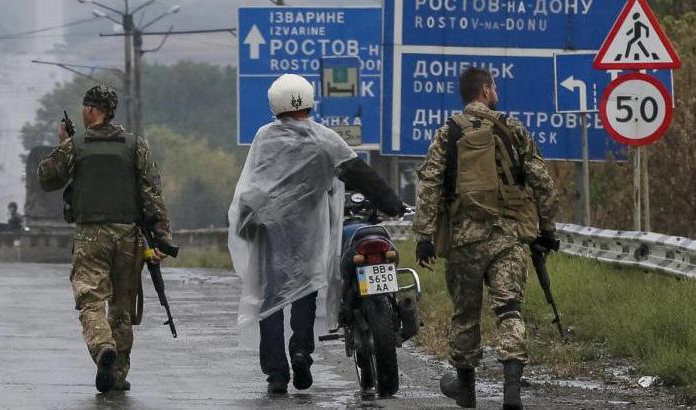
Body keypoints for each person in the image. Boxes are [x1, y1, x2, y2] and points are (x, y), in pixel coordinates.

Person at [227, 74, 406, 395]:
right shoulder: (325, 138)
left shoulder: (265, 137)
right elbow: (359, 173)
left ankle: (277, 376)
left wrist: (245, 223)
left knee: (270, 301)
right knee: (304, 291)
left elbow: (252, 184)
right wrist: (392, 204)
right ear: (309, 102)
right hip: (309, 231)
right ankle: (301, 352)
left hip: (270, 231)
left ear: (275, 104)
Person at [413, 68, 559, 409]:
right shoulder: (512, 128)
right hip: (507, 237)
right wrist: (547, 229)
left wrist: (425, 236)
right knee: (509, 310)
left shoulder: (447, 132)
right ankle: (511, 391)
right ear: (486, 90)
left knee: (465, 315)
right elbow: (543, 182)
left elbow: (429, 186)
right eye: (493, 87)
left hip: (464, 243)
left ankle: (465, 390)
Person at [37, 85, 172, 393]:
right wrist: (162, 239)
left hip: (90, 236)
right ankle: (117, 374)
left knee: (90, 299)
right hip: (129, 237)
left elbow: (47, 178)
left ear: (89, 110)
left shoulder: (77, 145)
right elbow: (152, 193)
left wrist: (63, 143)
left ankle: (102, 348)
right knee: (122, 306)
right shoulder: (135, 145)